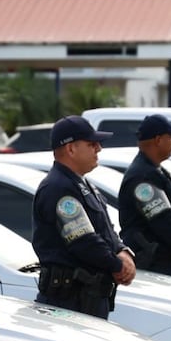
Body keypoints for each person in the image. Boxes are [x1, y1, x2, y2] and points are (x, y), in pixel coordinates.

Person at [31, 115, 135, 318]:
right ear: (70, 148)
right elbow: (83, 240)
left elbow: (104, 228)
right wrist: (117, 265)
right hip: (70, 301)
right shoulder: (58, 187)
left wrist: (121, 250)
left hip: (88, 297)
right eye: (91, 143)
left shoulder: (82, 184)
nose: (99, 149)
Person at [116, 114, 171, 277]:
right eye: (170, 137)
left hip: (163, 265)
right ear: (158, 140)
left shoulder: (155, 171)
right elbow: (163, 221)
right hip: (154, 266)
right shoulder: (143, 177)